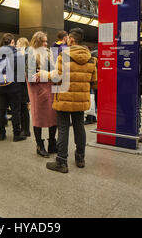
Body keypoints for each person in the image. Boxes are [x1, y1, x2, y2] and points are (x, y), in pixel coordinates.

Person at [37, 28, 97, 173]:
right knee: (79, 127)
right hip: (81, 100)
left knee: (63, 128)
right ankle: (80, 157)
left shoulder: (63, 56)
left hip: (63, 98)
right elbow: (94, 82)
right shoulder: (91, 59)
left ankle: (62, 161)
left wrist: (44, 73)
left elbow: (57, 77)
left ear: (71, 39)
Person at [27, 32, 57, 157]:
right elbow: (31, 77)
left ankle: (52, 143)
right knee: (38, 119)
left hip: (51, 91)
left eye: (46, 41)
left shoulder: (49, 54)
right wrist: (46, 75)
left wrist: (46, 74)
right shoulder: (31, 56)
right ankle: (39, 145)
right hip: (38, 93)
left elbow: (54, 72)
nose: (46, 44)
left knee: (53, 118)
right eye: (43, 41)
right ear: (37, 42)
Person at [0, 33, 26, 142]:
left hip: (1, 85)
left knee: (1, 110)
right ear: (12, 42)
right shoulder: (17, 54)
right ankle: (16, 134)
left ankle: (1, 133)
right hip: (14, 87)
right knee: (15, 111)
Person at [16, 37, 31, 137]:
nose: (16, 45)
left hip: (23, 85)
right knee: (23, 108)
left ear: (22, 44)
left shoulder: (23, 55)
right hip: (24, 85)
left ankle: (25, 130)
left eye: (17, 43)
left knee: (23, 108)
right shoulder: (26, 54)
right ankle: (26, 129)